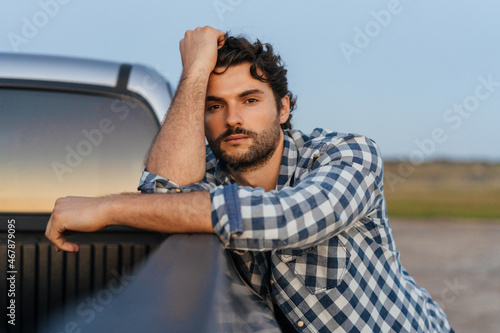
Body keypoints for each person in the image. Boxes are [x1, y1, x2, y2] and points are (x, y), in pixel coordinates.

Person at [45, 26, 453, 332]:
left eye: (250, 100)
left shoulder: (348, 154)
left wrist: (108, 206)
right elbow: (162, 192)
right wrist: (195, 71)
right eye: (214, 105)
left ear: (284, 108)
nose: (233, 119)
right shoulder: (212, 176)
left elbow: (285, 217)